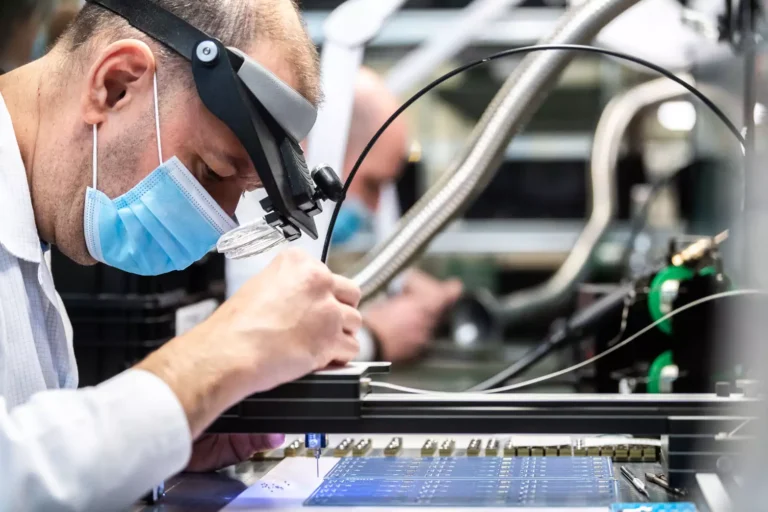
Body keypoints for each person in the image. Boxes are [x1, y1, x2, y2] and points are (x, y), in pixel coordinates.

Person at [0, 1, 362, 510]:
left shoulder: (29, 245)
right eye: (212, 170)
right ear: (116, 85)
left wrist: (155, 448)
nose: (217, 224)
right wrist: (219, 357)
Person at [333, 68, 463, 362]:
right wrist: (373, 339)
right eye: (372, 184)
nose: (376, 206)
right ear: (327, 148)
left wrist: (398, 280)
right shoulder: (243, 232)